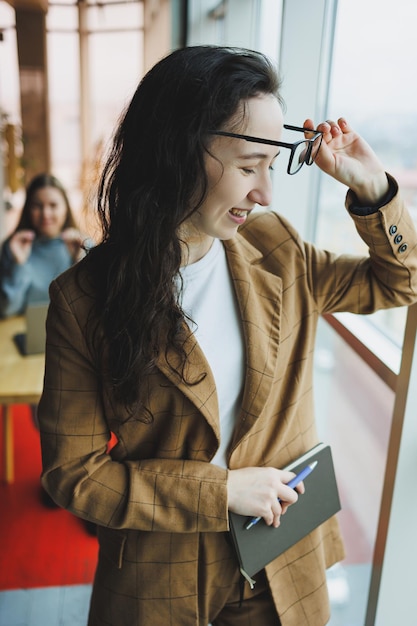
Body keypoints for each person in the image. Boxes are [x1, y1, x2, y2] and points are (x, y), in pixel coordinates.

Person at [37, 46, 417, 626]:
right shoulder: (83, 300)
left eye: (272, 165)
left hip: (284, 564)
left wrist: (372, 188)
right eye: (246, 167)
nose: (265, 192)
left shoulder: (276, 248)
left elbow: (399, 283)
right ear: (176, 155)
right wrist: (221, 491)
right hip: (161, 579)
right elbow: (75, 474)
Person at [0, 173, 86, 318]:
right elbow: (8, 310)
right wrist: (19, 264)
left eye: (53, 205)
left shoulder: (83, 245)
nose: (45, 214)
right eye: (37, 206)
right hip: (27, 333)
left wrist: (79, 261)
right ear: (28, 209)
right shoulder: (13, 247)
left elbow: (89, 306)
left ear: (66, 208)